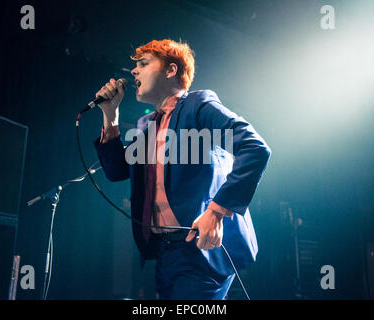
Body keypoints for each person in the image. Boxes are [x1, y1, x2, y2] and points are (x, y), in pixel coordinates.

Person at [93, 39, 271, 300]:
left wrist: (218, 211)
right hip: (164, 252)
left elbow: (255, 148)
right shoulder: (145, 124)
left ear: (170, 70)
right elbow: (117, 171)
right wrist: (110, 116)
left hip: (200, 249)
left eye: (143, 64)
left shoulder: (198, 105)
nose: (133, 71)